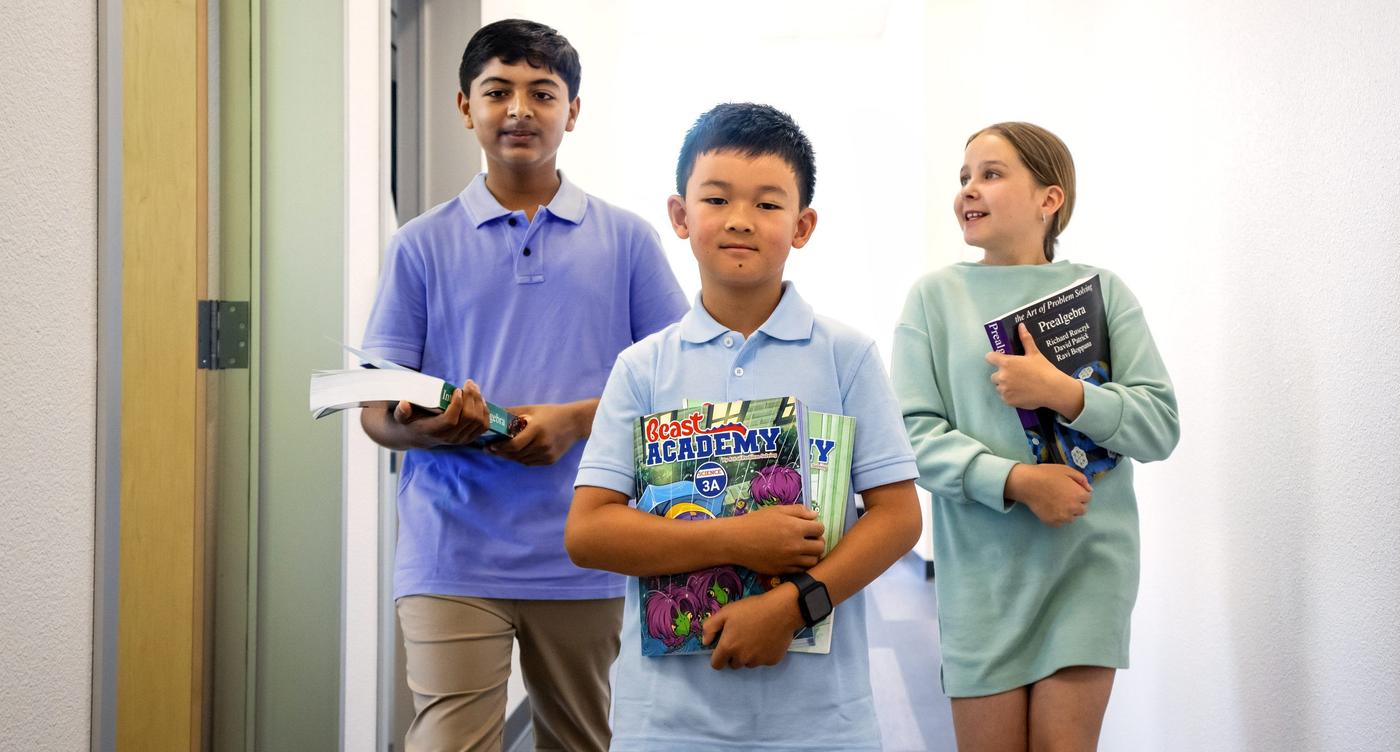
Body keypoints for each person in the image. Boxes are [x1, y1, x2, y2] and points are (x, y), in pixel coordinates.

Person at [358, 19, 687, 752]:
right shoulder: (420, 244)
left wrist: (574, 421)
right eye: (497, 90)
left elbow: (680, 387)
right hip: (450, 550)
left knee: (578, 741)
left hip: (586, 547)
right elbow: (377, 411)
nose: (518, 109)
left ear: (572, 112)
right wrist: (428, 428)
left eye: (542, 92)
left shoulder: (629, 241)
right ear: (463, 107)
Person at [565, 102, 923, 751]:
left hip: (823, 722)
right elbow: (589, 531)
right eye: (717, 198)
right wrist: (741, 539)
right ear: (680, 215)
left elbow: (898, 517)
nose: (739, 220)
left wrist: (793, 607)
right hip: (668, 723)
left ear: (803, 225)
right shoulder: (643, 369)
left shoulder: (847, 357)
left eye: (767, 204)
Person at [890, 121, 1180, 751]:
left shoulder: (1105, 293)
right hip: (983, 577)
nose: (969, 189)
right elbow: (911, 436)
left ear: (1051, 200)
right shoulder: (934, 299)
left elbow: (1159, 427)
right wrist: (1018, 481)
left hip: (1088, 568)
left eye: (991, 174)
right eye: (964, 177)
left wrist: (1062, 392)